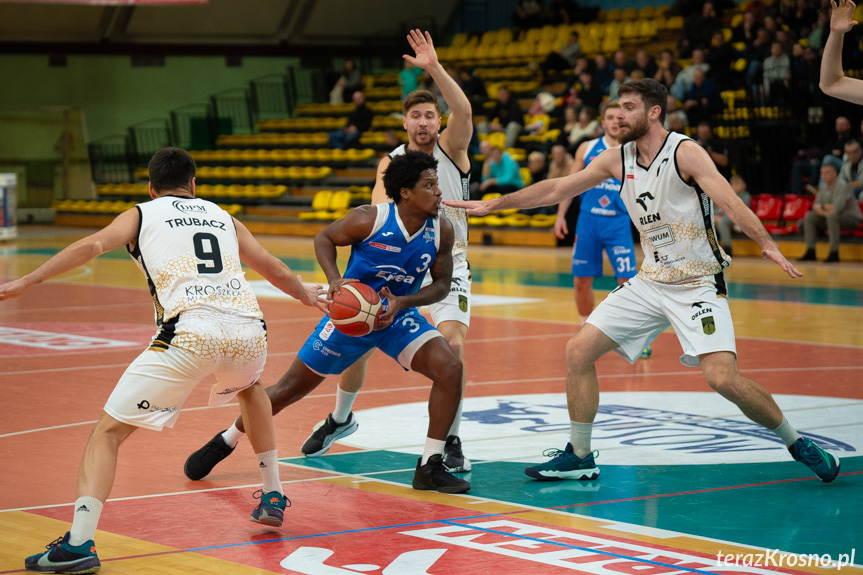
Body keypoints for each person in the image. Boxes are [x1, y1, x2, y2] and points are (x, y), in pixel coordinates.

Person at [445, 79, 840, 485]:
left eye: (629, 107)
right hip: (650, 281)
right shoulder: (617, 158)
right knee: (578, 351)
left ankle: (796, 443)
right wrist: (497, 202)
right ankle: (580, 454)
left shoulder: (685, 152)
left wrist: (766, 243)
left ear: (654, 112)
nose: (619, 115)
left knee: (721, 378)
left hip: (697, 282)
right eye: (617, 107)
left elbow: (729, 201)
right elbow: (560, 187)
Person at [4, 148, 325, 574]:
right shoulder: (222, 215)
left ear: (151, 188)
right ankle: (272, 494)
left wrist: (28, 279)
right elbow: (271, 266)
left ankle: (79, 542)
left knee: (107, 434)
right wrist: (308, 296)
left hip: (190, 332)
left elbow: (92, 245)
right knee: (250, 389)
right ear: (194, 184)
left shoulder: (142, 213)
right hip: (251, 330)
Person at [185, 150, 470, 495]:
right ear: (406, 193)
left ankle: (429, 465)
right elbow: (324, 238)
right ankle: (227, 439)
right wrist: (335, 279)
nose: (439, 191)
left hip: (396, 317)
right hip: (349, 320)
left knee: (450, 368)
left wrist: (404, 302)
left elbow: (441, 285)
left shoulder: (442, 229)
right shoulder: (370, 219)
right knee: (288, 390)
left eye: (437, 184)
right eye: (430, 185)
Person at [553, 100, 638, 322]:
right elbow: (568, 184)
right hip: (588, 221)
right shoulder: (587, 147)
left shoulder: (633, 150)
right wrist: (560, 216)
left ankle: (634, 334)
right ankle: (585, 329)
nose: (614, 122)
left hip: (618, 223)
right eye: (609, 117)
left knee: (628, 282)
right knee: (581, 280)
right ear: (602, 122)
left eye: (618, 117)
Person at [798, 154, 863, 262]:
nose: (824, 176)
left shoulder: (842, 185)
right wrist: (825, 210)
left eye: (827, 173)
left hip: (852, 219)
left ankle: (834, 253)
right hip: (832, 217)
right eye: (822, 173)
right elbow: (815, 206)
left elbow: (837, 208)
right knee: (810, 216)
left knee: (832, 216)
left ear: (835, 174)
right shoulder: (823, 187)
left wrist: (823, 208)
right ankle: (810, 251)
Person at [715, 175, 752, 256]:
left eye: (737, 184)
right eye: (733, 184)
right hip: (725, 216)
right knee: (711, 220)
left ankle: (727, 249)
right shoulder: (728, 195)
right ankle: (712, 249)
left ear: (743, 185)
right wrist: (716, 215)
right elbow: (720, 208)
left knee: (721, 222)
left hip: (738, 219)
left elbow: (741, 210)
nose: (735, 187)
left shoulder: (745, 196)